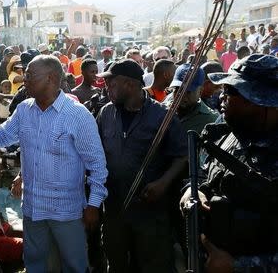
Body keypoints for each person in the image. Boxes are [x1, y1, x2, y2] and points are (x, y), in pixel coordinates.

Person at [0, 55, 108, 272]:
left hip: (66, 211)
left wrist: (94, 205)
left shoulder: (77, 115)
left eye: (30, 75)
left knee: (74, 266)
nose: (24, 79)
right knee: (35, 264)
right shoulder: (24, 110)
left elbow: (97, 165)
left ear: (51, 78)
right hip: (33, 209)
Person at [180, 54, 278, 272]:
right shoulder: (226, 135)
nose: (221, 98)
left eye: (231, 91)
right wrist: (192, 191)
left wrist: (238, 266)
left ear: (260, 100)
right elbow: (204, 175)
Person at [97, 59, 188, 272]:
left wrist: (163, 183)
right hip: (114, 209)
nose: (107, 88)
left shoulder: (162, 116)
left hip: (149, 213)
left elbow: (182, 155)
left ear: (129, 84)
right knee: (116, 265)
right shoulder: (106, 113)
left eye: (112, 84)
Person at [170, 64, 218, 134]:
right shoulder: (162, 107)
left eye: (188, 92)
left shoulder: (211, 120)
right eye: (178, 90)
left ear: (200, 91)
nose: (182, 96)